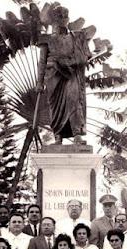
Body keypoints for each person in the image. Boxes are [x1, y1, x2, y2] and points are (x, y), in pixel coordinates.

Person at [36, 4, 93, 145]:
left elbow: (85, 56)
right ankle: (58, 136)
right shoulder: (47, 39)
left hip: (71, 74)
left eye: (65, 16)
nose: (62, 19)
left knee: (73, 99)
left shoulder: (77, 37)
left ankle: (77, 134)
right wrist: (39, 82)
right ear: (53, 20)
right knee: (55, 108)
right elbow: (42, 62)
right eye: (59, 17)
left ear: (68, 19)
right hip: (53, 77)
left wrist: (69, 62)